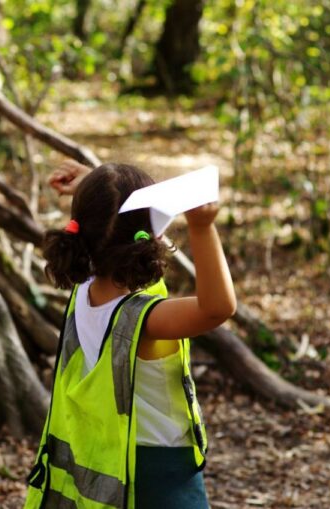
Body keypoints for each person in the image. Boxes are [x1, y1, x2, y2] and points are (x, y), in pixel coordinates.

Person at [24, 161, 236, 509]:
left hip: (108, 461)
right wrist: (202, 228)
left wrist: (95, 191)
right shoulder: (146, 320)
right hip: (159, 478)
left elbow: (113, 231)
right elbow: (217, 308)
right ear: (147, 236)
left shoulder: (84, 290)